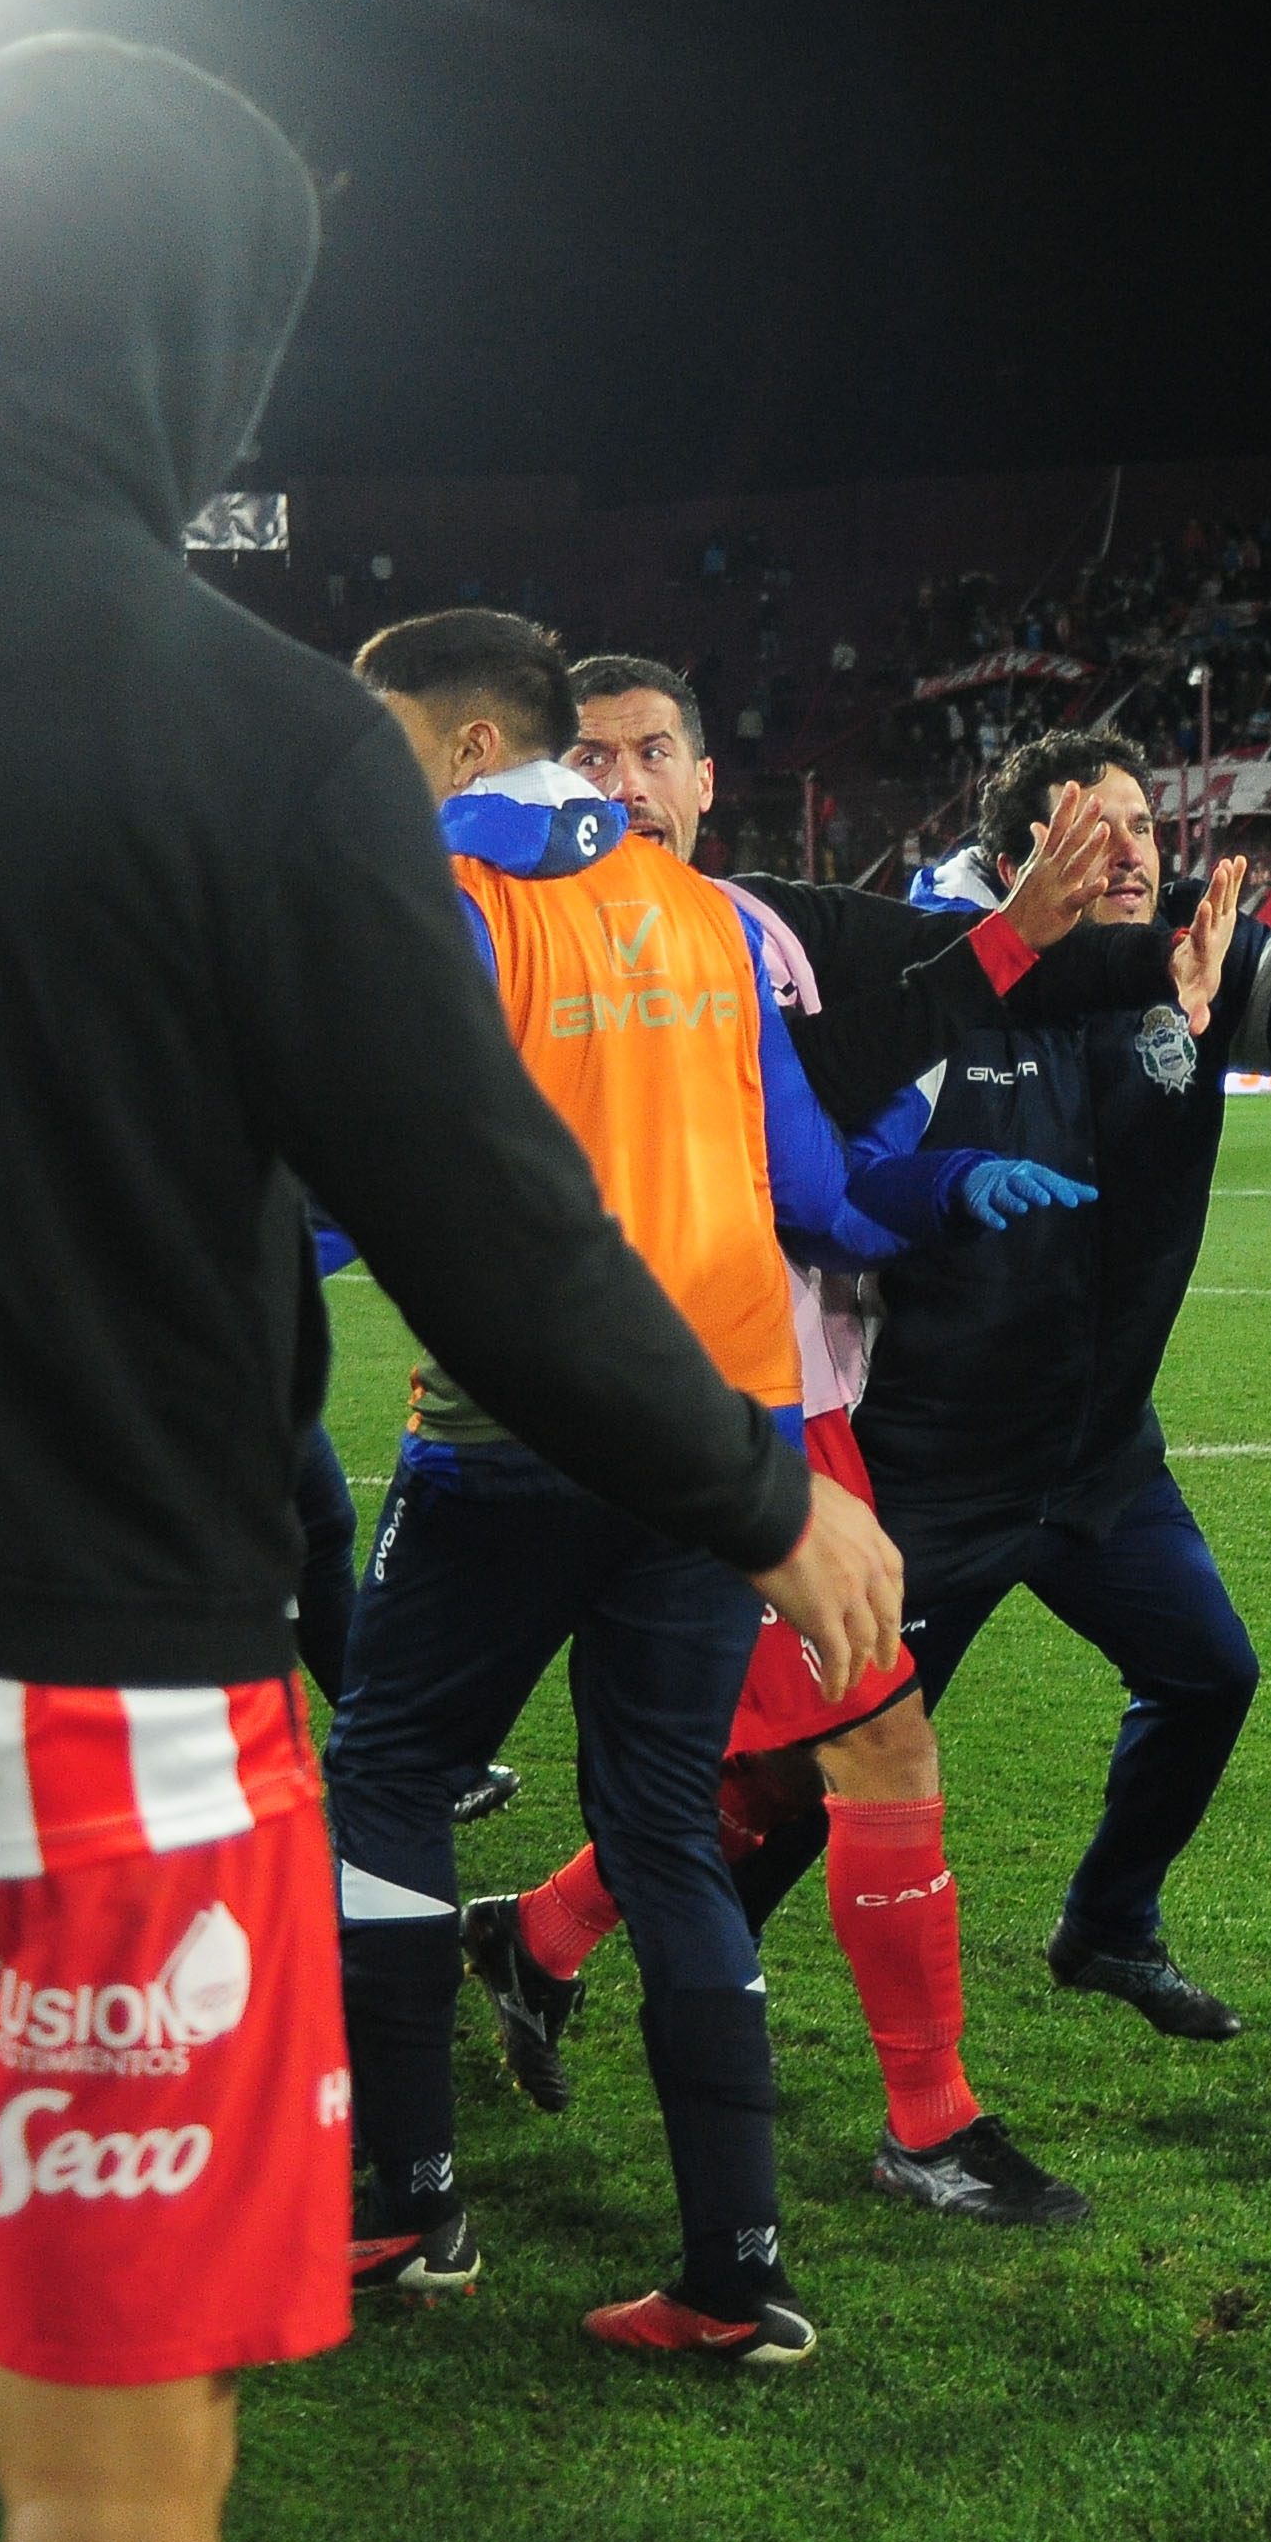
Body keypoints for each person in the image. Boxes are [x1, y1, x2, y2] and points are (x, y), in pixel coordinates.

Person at [0, 40, 890, 2542]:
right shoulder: (266, 735)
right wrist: (764, 1488)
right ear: (220, 331)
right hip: (103, 1699)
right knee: (121, 2430)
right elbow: (491, 1229)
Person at [458, 653, 1211, 2230]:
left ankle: (520, 1956)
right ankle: (900, 2130)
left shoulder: (744, 933)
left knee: (797, 1765)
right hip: (691, 1415)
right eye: (590, 762)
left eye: (653, 753)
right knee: (851, 1747)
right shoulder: (529, 937)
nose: (623, 787)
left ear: (704, 780)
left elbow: (817, 1163)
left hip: (791, 1403)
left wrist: (933, 1189)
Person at [323, 611, 990, 2349]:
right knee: (661, 1830)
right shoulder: (703, 915)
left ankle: (404, 2203)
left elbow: (349, 1184)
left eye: (373, 726)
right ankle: (734, 2269)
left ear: (466, 745)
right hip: (721, 1457)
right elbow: (812, 1194)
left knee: (383, 1774)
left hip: (513, 1440)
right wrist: (946, 1183)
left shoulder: (452, 907)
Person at [688, 724, 1271, 2047]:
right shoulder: (927, 973)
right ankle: (689, 1966)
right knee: (823, 1767)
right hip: (929, 1461)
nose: (1139, 852)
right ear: (1022, 851)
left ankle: (1107, 1924)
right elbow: (826, 1177)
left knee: (1207, 1674)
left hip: (1098, 1457)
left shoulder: (1191, 977)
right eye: (1105, 827)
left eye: (1150, 827)